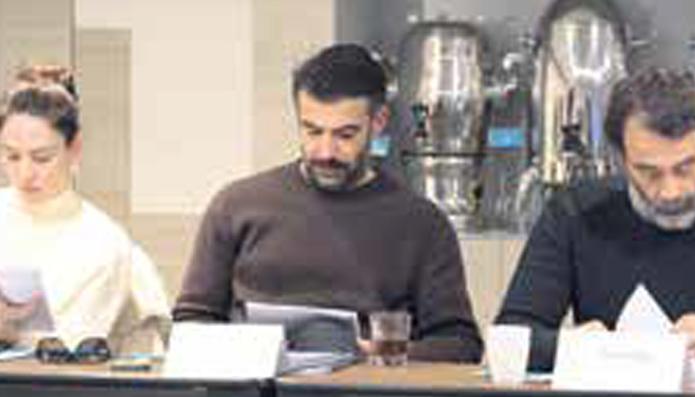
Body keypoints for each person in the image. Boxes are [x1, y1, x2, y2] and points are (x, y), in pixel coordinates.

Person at [173, 43, 483, 363]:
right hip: (258, 385)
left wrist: (379, 354)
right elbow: (192, 322)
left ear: (378, 122)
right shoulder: (237, 206)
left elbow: (461, 345)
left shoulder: (422, 224)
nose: (325, 152)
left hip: (366, 386)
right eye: (312, 131)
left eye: (345, 135)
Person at [495, 68, 695, 371]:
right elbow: (510, 340)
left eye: (685, 168)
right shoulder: (577, 212)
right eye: (648, 172)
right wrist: (571, 347)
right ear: (621, 159)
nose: (670, 191)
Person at [0, 65, 170, 353]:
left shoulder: (101, 241)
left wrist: (9, 331)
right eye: (12, 156)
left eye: (42, 158)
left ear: (74, 148)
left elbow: (71, 352)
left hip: (49, 377)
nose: (25, 174)